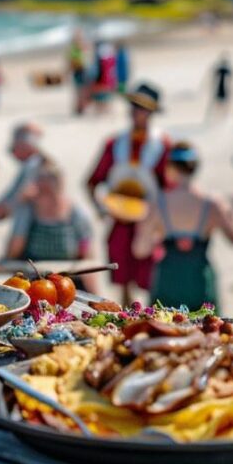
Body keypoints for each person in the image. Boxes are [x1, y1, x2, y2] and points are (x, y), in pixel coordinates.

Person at [86, 82, 170, 306]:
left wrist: (161, 221)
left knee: (152, 279)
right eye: (133, 106)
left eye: (141, 108)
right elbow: (92, 181)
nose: (136, 112)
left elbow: (169, 188)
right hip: (120, 220)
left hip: (149, 221)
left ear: (151, 112)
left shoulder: (163, 146)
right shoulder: (114, 144)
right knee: (121, 277)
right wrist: (101, 209)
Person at [134, 143, 233, 311]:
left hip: (167, 278)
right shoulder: (211, 203)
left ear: (170, 168)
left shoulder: (159, 202)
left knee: (162, 328)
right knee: (209, 331)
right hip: (199, 279)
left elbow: (140, 250)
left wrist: (155, 236)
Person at [5, 160, 93, 263]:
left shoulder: (74, 211)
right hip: (34, 269)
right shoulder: (28, 210)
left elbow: (85, 245)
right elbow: (17, 244)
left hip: (67, 269)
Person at [0, 123, 43, 222]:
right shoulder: (31, 164)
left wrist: (5, 207)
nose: (13, 154)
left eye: (14, 149)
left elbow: (21, 192)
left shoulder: (33, 166)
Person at [67, 28, 89, 115]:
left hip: (81, 70)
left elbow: (71, 61)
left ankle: (80, 108)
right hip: (78, 70)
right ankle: (79, 108)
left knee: (80, 90)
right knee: (79, 90)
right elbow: (70, 61)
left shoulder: (78, 46)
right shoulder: (74, 47)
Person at [207, 54, 233, 119]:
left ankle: (220, 115)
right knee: (220, 102)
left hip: (222, 88)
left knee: (220, 103)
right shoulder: (223, 69)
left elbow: (213, 78)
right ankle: (220, 115)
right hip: (221, 88)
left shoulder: (222, 69)